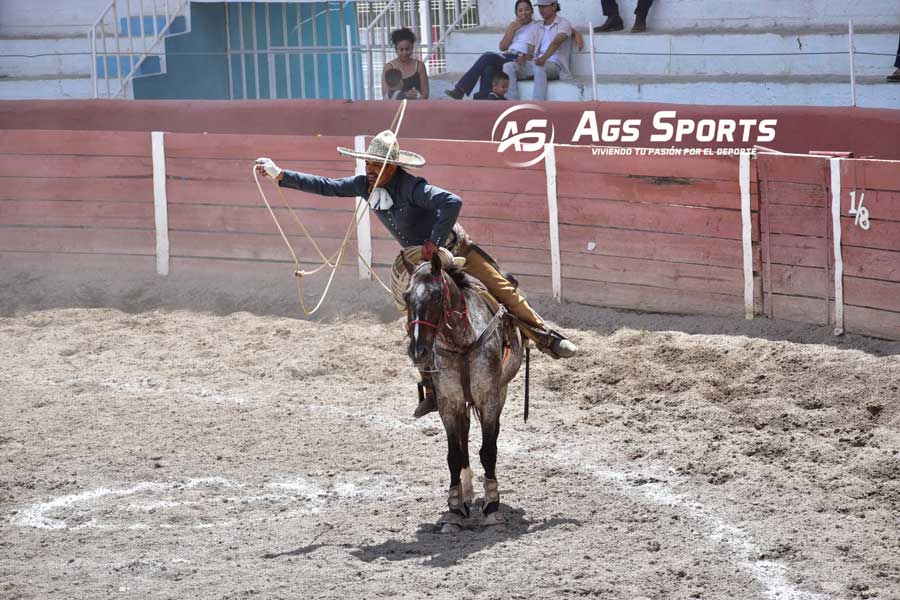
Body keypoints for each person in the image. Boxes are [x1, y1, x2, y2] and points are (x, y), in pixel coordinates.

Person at [254, 131, 578, 417]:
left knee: (502, 290)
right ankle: (432, 385)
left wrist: (433, 245)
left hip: (455, 250)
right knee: (417, 319)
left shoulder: (412, 187)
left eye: (374, 165)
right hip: (417, 263)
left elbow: (452, 201)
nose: (368, 170)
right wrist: (280, 175)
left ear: (391, 168)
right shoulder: (365, 185)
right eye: (367, 163)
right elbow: (326, 186)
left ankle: (546, 337)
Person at [445, 0, 541, 100]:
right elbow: (503, 47)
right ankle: (485, 101)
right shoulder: (514, 26)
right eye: (520, 10)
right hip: (508, 55)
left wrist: (525, 57)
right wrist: (512, 30)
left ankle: (461, 90)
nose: (524, 13)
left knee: (487, 56)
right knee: (488, 69)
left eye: (527, 10)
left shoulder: (536, 26)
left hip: (519, 58)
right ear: (516, 13)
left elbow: (534, 49)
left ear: (532, 11)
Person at [503, 0, 581, 101]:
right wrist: (524, 58)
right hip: (537, 63)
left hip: (555, 65)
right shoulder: (537, 26)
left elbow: (556, 42)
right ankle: (512, 103)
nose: (541, 10)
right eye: (539, 7)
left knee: (538, 65)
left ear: (554, 6)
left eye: (544, 7)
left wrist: (543, 59)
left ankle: (537, 103)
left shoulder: (563, 23)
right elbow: (530, 52)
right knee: (508, 66)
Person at [382, 28, 429, 100]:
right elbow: (386, 94)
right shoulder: (389, 67)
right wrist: (404, 96)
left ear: (412, 48)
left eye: (407, 49)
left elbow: (425, 94)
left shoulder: (419, 66)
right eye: (401, 50)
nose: (404, 53)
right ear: (396, 50)